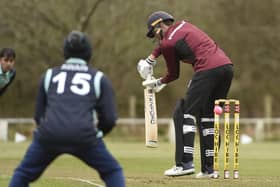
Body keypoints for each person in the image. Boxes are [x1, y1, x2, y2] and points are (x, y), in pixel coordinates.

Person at [9, 31, 126, 187]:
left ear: (65, 52)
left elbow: (38, 115)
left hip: (50, 134)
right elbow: (110, 118)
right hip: (84, 135)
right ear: (88, 52)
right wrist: (97, 134)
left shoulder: (49, 75)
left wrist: (49, 131)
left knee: (23, 174)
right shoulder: (98, 78)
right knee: (112, 171)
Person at [137, 11, 233, 178]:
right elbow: (166, 44)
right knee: (207, 116)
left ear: (160, 25)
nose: (156, 38)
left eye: (154, 33)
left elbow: (174, 73)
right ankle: (209, 169)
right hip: (226, 67)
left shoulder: (168, 42)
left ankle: (184, 163)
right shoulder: (184, 26)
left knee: (183, 111)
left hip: (206, 69)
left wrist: (158, 82)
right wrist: (151, 58)